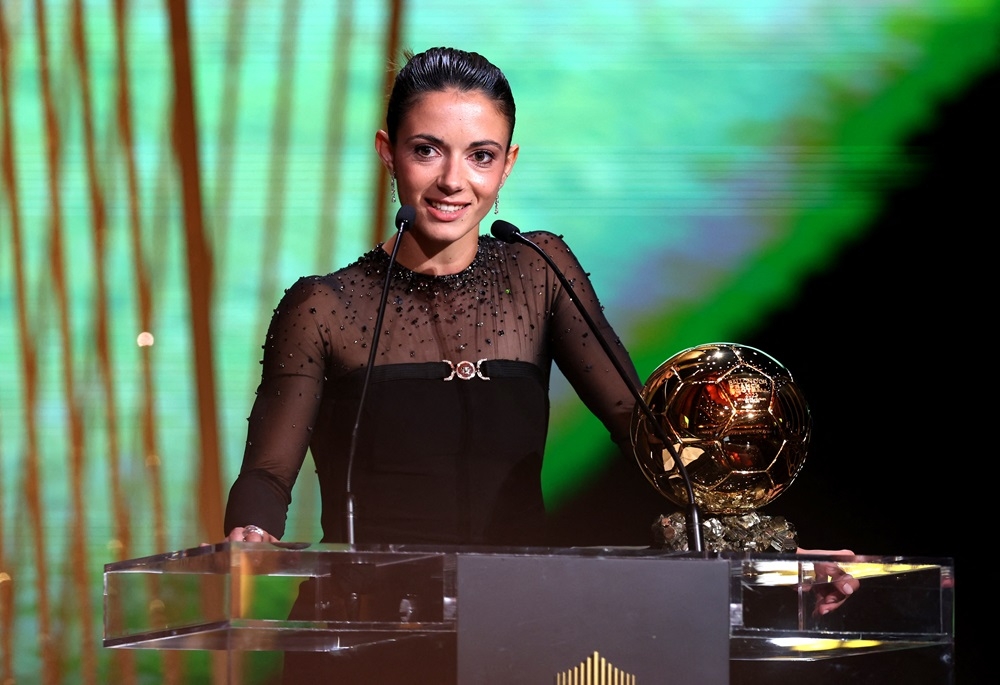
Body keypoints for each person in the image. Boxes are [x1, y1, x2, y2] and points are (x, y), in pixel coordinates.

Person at [222, 46, 642, 682]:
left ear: (508, 166)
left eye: (481, 156)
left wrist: (769, 549)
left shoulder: (540, 271)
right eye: (427, 150)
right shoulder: (325, 307)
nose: (454, 180)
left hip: (517, 634)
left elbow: (649, 435)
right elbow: (268, 473)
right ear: (387, 151)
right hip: (361, 636)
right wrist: (250, 533)